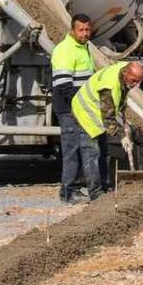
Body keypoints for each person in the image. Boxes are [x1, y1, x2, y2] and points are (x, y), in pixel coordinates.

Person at [71, 61, 143, 201]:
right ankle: (95, 193)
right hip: (85, 112)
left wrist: (125, 127)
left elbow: (120, 102)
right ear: (126, 73)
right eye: (134, 81)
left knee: (104, 151)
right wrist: (121, 137)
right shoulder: (108, 86)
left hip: (98, 113)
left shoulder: (124, 72)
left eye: (138, 81)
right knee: (92, 154)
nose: (136, 84)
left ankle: (105, 187)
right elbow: (108, 118)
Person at [51, 14, 95, 204]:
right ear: (72, 30)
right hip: (70, 109)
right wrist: (78, 108)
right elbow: (63, 85)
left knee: (82, 149)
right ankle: (68, 192)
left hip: (80, 108)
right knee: (72, 150)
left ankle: (76, 189)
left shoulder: (84, 47)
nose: (85, 33)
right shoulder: (65, 50)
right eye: (81, 30)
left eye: (87, 30)